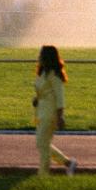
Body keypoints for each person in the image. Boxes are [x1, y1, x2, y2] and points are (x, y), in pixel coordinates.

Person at [33, 44, 76, 176]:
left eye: (41, 55)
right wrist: (36, 99)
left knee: (42, 143)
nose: (38, 57)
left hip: (50, 113)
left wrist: (60, 116)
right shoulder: (43, 73)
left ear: (47, 57)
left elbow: (59, 96)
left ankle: (44, 174)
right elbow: (43, 90)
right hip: (41, 111)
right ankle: (68, 163)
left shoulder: (54, 75)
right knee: (42, 143)